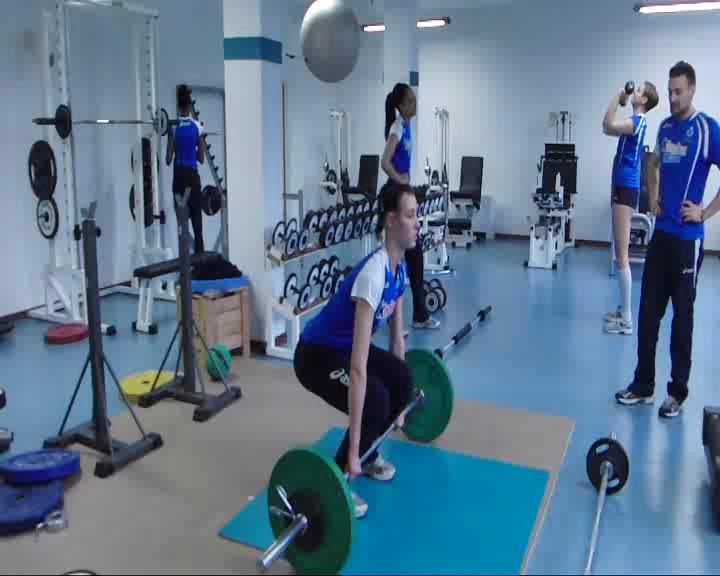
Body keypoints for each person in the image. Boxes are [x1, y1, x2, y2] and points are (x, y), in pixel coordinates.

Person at [294, 183, 418, 519]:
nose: (417, 222)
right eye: (410, 215)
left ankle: (368, 452)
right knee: (375, 399)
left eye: (416, 215)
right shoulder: (373, 276)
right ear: (391, 221)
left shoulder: (400, 269)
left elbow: (397, 342)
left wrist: (402, 402)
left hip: (342, 349)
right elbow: (359, 368)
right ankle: (336, 478)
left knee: (402, 378)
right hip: (316, 356)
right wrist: (351, 450)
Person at [615, 61, 720, 418]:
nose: (672, 98)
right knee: (647, 314)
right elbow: (652, 163)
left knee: (682, 319)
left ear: (692, 89)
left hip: (688, 240)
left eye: (678, 92)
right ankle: (643, 385)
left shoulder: (706, 129)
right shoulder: (663, 127)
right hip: (662, 236)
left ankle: (676, 392)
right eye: (670, 91)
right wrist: (655, 196)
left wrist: (704, 212)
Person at [381, 82, 440, 330]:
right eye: (412, 101)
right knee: (398, 258)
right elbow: (385, 162)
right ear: (402, 105)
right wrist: (401, 180)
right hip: (394, 193)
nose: (415, 104)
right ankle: (401, 317)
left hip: (402, 192)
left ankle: (418, 314)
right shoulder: (397, 127)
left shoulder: (406, 125)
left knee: (414, 256)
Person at [602, 80, 659, 335]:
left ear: (644, 100)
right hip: (622, 185)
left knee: (622, 254)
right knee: (620, 251)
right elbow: (608, 130)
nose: (634, 92)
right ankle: (623, 310)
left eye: (638, 91)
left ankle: (626, 319)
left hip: (626, 187)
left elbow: (607, 123)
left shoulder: (637, 123)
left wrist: (618, 95)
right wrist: (622, 99)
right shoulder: (635, 123)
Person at [166, 84, 205, 254]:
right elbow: (202, 158)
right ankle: (200, 265)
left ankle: (184, 266)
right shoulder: (197, 127)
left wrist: (178, 149)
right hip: (192, 177)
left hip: (178, 178)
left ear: (177, 106)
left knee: (182, 225)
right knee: (197, 224)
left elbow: (168, 159)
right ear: (189, 106)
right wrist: (192, 150)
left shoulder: (173, 127)